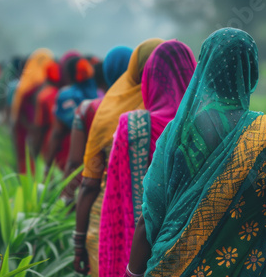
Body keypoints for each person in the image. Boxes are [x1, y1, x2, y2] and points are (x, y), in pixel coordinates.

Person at [126, 28, 266, 277]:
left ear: (204, 71)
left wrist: (132, 273)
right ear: (252, 72)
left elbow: (150, 216)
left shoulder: (176, 134)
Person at [99, 40, 197, 277]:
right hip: (197, 251)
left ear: (150, 79)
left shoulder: (130, 126)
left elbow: (116, 201)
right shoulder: (209, 127)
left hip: (137, 253)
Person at [73, 38, 164, 277]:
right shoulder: (184, 113)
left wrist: (78, 241)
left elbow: (89, 182)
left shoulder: (105, 112)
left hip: (110, 221)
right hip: (170, 226)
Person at [60, 46, 133, 205]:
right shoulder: (148, 108)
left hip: (99, 202)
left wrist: (66, 197)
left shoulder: (90, 109)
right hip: (139, 206)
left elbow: (75, 162)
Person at [45, 57, 98, 172]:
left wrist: (47, 165)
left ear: (68, 74)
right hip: (97, 159)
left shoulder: (65, 96)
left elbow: (57, 132)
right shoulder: (100, 94)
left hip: (70, 156)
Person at [11, 49, 54, 174]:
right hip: (45, 135)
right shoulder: (50, 87)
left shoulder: (24, 87)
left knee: (28, 170)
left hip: (26, 134)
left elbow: (18, 116)